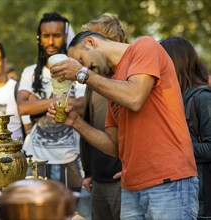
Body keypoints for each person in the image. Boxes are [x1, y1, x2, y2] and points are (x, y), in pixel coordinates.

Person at [47, 31, 198, 219]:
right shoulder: (113, 84)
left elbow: (134, 97)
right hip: (131, 187)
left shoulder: (144, 46)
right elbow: (114, 146)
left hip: (167, 182)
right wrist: (75, 122)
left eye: (80, 60)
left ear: (91, 43)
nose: (85, 67)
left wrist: (81, 73)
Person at [17, 12, 85, 192]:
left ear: (65, 36)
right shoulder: (30, 73)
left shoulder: (77, 71)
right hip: (36, 159)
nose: (51, 41)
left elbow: (83, 105)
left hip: (71, 158)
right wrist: (63, 100)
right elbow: (22, 107)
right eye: (46, 36)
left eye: (56, 35)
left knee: (73, 214)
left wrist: (38, 103)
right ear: (40, 38)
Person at [78, 13, 128, 220]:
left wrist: (130, 169)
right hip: (98, 179)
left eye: (92, 42)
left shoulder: (129, 79)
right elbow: (90, 122)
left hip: (122, 180)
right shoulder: (93, 79)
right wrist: (88, 170)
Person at [160, 36, 211, 219]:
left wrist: (175, 147)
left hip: (202, 203)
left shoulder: (202, 98)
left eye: (162, 60)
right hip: (180, 195)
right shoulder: (175, 98)